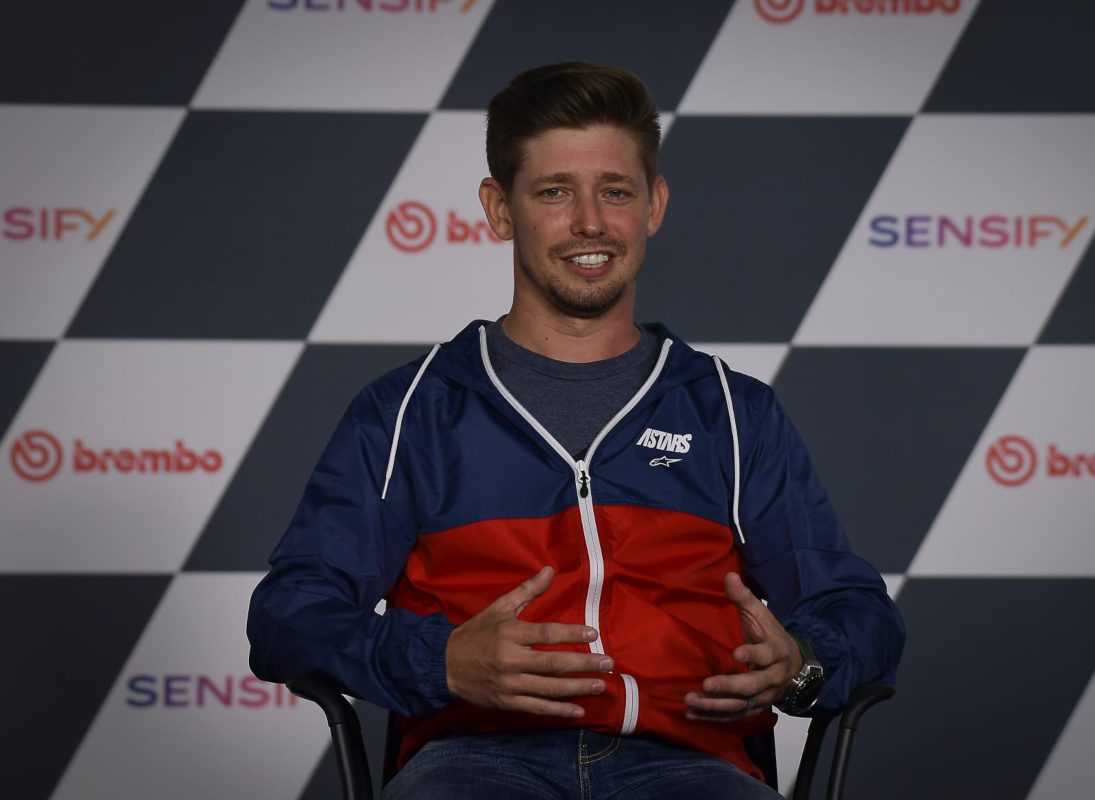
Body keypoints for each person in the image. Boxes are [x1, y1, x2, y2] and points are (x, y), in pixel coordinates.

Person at [248, 62, 904, 799]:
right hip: (473, 765)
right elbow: (287, 613)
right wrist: (437, 661)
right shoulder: (407, 410)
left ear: (653, 204)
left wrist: (805, 663)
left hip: (690, 765)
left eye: (615, 191)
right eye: (555, 191)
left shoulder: (730, 409)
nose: (590, 222)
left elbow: (857, 607)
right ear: (500, 210)